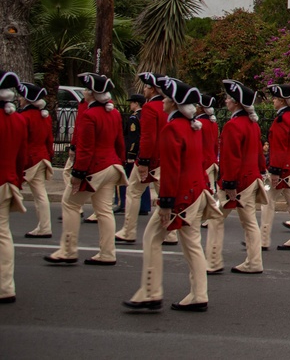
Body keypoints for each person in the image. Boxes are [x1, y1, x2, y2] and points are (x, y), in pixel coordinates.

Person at [123, 78, 220, 312]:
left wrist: (166, 203)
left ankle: (150, 291)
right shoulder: (192, 126)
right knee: (192, 245)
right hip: (195, 192)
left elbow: (171, 171)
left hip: (180, 196)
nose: (163, 101)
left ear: (175, 104)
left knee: (151, 238)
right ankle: (198, 294)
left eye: (167, 98)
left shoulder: (172, 129)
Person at [46, 72, 127, 267]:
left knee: (70, 204)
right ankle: (107, 253)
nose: (83, 92)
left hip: (95, 167)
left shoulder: (90, 115)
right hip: (112, 165)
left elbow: (86, 148)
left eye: (86, 89)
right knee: (104, 210)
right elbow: (119, 142)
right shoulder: (114, 113)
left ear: (91, 94)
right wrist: (120, 162)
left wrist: (78, 174)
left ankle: (68, 250)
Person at [206, 79, 266, 275]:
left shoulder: (233, 125)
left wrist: (229, 183)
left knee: (215, 219)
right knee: (250, 223)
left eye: (229, 99)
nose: (226, 101)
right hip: (251, 178)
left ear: (237, 103)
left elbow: (231, 158)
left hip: (237, 181)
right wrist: (261, 171)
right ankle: (254, 261)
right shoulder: (252, 124)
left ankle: (213, 261)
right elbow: (258, 152)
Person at [117, 72, 176, 246]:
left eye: (146, 86)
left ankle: (129, 231)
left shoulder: (150, 108)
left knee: (133, 191)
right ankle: (171, 233)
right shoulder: (171, 107)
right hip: (166, 158)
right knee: (165, 196)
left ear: (152, 89)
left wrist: (143, 161)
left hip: (151, 159)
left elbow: (148, 137)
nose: (144, 89)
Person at [260, 83, 290, 251]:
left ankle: (262, 240)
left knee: (267, 201)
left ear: (281, 100)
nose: (273, 101)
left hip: (283, 168)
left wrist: (275, 171)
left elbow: (279, 148)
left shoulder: (281, 119)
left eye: (274, 98)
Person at [0, 71, 28, 304]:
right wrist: (17, 181)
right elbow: (22, 157)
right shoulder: (19, 120)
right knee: (3, 235)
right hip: (8, 181)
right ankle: (6, 285)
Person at [17, 82, 53, 239]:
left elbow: (21, 143)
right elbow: (49, 139)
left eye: (22, 97)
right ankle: (45, 227)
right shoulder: (44, 117)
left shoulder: (23, 117)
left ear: (27, 99)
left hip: (28, 161)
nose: (19, 99)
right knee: (40, 194)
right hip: (42, 157)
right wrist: (49, 155)